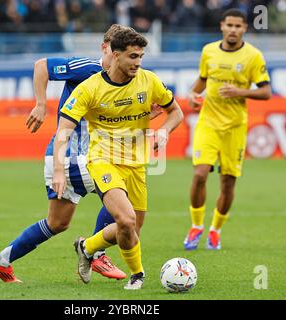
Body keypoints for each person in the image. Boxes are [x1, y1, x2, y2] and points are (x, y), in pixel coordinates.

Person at [0, 24, 161, 283]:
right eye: (117, 50)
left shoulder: (129, 82)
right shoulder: (90, 70)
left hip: (72, 156)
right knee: (125, 208)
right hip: (74, 154)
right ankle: (94, 251)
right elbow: (42, 65)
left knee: (57, 223)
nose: (123, 57)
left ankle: (0, 261)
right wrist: (41, 104)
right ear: (107, 49)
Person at [52, 28, 183, 290]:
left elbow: (175, 112)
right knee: (125, 220)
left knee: (130, 231)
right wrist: (58, 169)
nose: (137, 62)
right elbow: (62, 132)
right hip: (103, 160)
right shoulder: (90, 88)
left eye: (141, 57)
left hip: (137, 164)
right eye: (133, 56)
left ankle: (87, 247)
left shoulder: (149, 81)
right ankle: (138, 275)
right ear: (115, 54)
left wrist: (165, 132)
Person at [183, 9, 271, 251]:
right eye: (229, 25)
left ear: (244, 29)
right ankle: (196, 226)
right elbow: (202, 78)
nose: (233, 29)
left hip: (234, 126)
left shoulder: (253, 56)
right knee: (200, 174)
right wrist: (193, 94)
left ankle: (215, 230)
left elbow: (266, 92)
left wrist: (240, 91)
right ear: (222, 26)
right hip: (208, 122)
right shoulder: (208, 51)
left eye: (238, 26)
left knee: (228, 182)